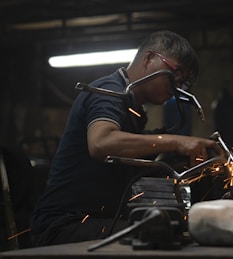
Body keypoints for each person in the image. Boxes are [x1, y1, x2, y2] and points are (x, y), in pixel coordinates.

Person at [30, 30, 223, 246]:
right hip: (64, 225)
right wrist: (177, 141)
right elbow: (101, 143)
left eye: (183, 81)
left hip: (96, 221)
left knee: (172, 230)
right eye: (175, 72)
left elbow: (126, 165)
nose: (177, 86)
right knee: (160, 236)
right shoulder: (108, 92)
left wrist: (181, 161)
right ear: (149, 58)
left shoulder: (134, 110)